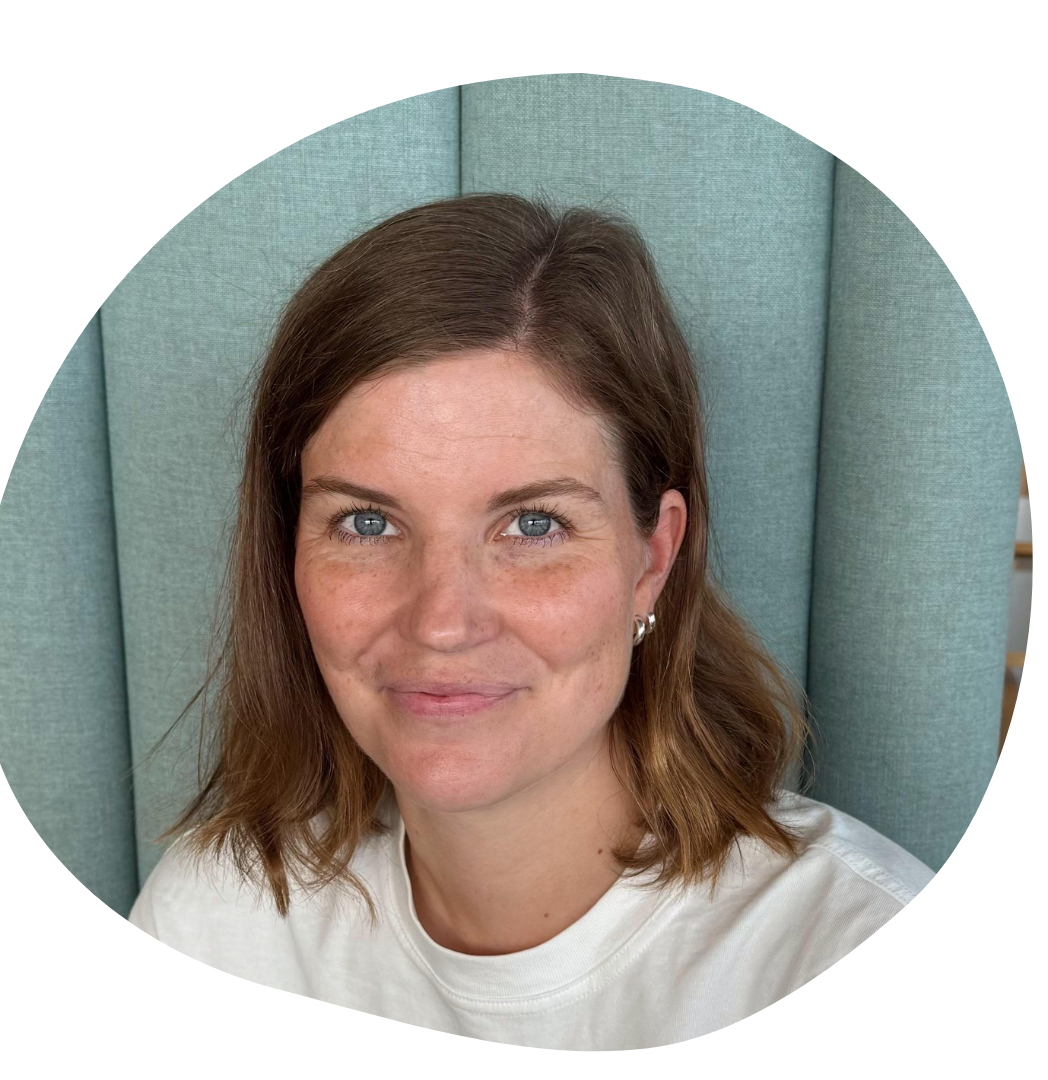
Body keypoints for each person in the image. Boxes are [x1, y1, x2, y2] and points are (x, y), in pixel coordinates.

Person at [128, 193, 933, 1051]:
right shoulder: (215, 926)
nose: (442, 623)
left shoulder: (867, 964)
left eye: (534, 525)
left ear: (652, 560)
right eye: (367, 523)